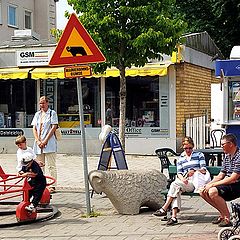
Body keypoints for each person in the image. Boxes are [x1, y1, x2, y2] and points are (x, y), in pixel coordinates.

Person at [153, 136, 209, 225]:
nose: (188, 150)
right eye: (186, 148)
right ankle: (174, 217)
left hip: (196, 182)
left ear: (193, 146)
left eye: (190, 148)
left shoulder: (199, 155)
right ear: (183, 147)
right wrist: (183, 179)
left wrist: (194, 171)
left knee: (175, 185)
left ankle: (164, 208)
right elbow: (179, 173)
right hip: (185, 182)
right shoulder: (181, 158)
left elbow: (204, 170)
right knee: (176, 189)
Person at [200, 133, 240, 227]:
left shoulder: (239, 156)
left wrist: (213, 185)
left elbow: (233, 178)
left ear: (230, 144)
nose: (221, 147)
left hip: (237, 185)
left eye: (223, 144)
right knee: (203, 191)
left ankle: (227, 218)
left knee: (213, 191)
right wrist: (208, 184)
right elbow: (221, 175)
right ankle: (222, 214)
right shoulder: (227, 156)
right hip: (229, 184)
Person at [31, 96, 58, 193]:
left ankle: (52, 185)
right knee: (40, 165)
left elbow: (54, 127)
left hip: (49, 143)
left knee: (51, 165)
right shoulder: (37, 114)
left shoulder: (52, 113)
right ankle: (41, 184)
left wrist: (45, 140)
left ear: (47, 103)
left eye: (43, 103)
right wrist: (38, 140)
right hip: (38, 144)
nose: (41, 105)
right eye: (40, 103)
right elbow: (34, 128)